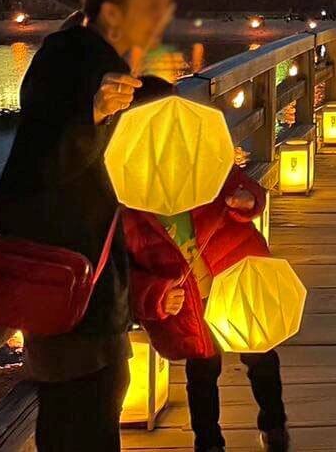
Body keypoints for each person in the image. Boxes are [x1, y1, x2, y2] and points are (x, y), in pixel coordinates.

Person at [0, 0, 174, 451]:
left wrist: (149, 89)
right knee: (80, 409)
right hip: (62, 271)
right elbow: (40, 164)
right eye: (152, 5)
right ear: (113, 13)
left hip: (89, 272)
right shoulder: (70, 60)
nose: (162, 16)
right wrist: (92, 115)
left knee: (100, 394)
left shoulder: (95, 55)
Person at [122, 78, 289, 452]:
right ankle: (209, 442)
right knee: (202, 373)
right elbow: (126, 268)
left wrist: (249, 202)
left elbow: (246, 190)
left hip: (237, 276)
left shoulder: (205, 157)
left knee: (261, 356)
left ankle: (273, 423)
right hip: (188, 300)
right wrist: (155, 295)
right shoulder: (125, 191)